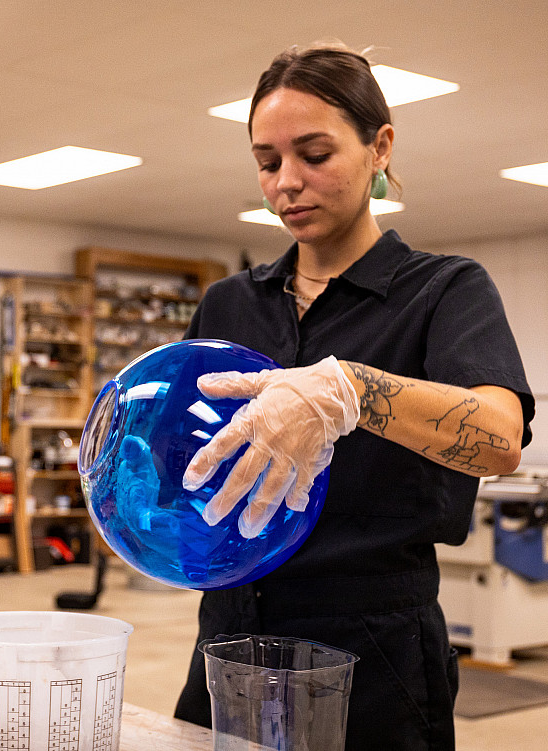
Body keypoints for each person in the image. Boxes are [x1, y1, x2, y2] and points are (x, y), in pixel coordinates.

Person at [172, 44, 535, 750]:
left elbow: (500, 439)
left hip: (372, 653)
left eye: (315, 154)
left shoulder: (444, 290)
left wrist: (353, 389)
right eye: (268, 162)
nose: (287, 182)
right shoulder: (228, 304)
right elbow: (183, 448)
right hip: (227, 640)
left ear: (380, 148)